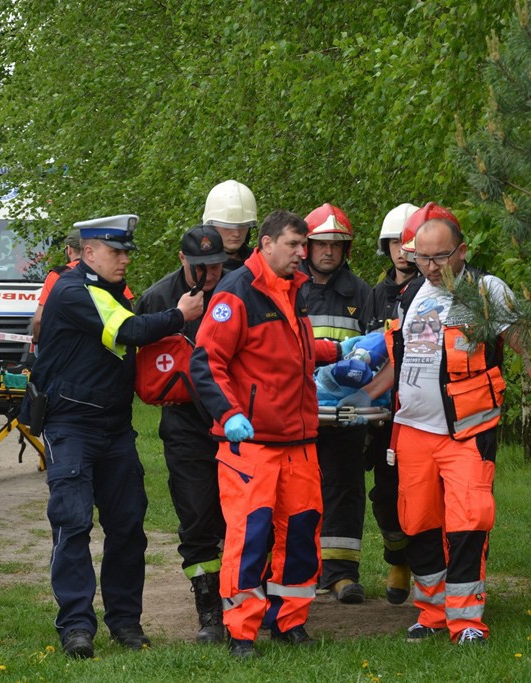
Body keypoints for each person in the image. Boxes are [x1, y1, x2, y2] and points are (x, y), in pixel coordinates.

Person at [342, 202, 531, 645]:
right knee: (419, 524)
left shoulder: (487, 294)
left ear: (461, 251)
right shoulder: (414, 294)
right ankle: (431, 613)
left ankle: (466, 620)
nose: (429, 267)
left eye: (440, 257)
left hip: (468, 430)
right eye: (421, 257)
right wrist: (365, 396)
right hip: (412, 432)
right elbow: (404, 359)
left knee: (469, 521)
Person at [20, 214, 204, 659]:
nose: (124, 260)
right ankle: (77, 627)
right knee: (73, 523)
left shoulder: (107, 291)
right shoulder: (73, 290)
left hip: (114, 427)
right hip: (73, 428)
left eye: (126, 252)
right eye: (116, 252)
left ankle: (126, 623)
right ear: (88, 253)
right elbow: (128, 330)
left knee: (127, 528)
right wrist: (180, 314)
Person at [190, 210, 359, 659]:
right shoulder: (236, 293)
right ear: (265, 244)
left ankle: (290, 622)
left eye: (304, 246)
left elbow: (290, 349)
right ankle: (241, 630)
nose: (302, 254)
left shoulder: (292, 290)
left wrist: (338, 351)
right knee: (250, 539)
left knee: (300, 535)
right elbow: (206, 362)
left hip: (298, 443)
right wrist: (228, 415)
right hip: (253, 446)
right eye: (293, 245)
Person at [133, 225, 230, 643]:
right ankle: (209, 611)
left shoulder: (239, 291)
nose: (208, 276)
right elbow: (135, 352)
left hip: (234, 418)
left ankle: (248, 600)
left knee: (243, 516)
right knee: (195, 515)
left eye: (215, 267)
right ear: (182, 260)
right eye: (200, 268)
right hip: (185, 421)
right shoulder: (157, 298)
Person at [299, 203, 373, 604]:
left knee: (344, 486)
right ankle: (302, 569)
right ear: (307, 247)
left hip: (346, 411)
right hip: (298, 409)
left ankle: (342, 573)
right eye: (321, 244)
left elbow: (375, 352)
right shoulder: (289, 290)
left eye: (337, 245)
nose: (328, 252)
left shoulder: (361, 294)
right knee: (299, 490)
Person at [363, 202, 420, 605]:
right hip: (382, 416)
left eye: (410, 241)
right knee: (385, 496)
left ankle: (435, 571)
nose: (404, 250)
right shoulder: (373, 296)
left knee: (424, 495)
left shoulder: (432, 293)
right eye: (396, 242)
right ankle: (397, 559)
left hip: (423, 413)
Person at [31, 229, 83, 347]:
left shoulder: (57, 275)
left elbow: (39, 320)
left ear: (69, 250)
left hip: (63, 346)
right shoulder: (105, 273)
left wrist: (36, 340)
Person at [202, 180, 257, 272]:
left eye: (242, 226)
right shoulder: (201, 267)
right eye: (228, 227)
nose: (236, 233)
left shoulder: (260, 262)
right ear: (211, 227)